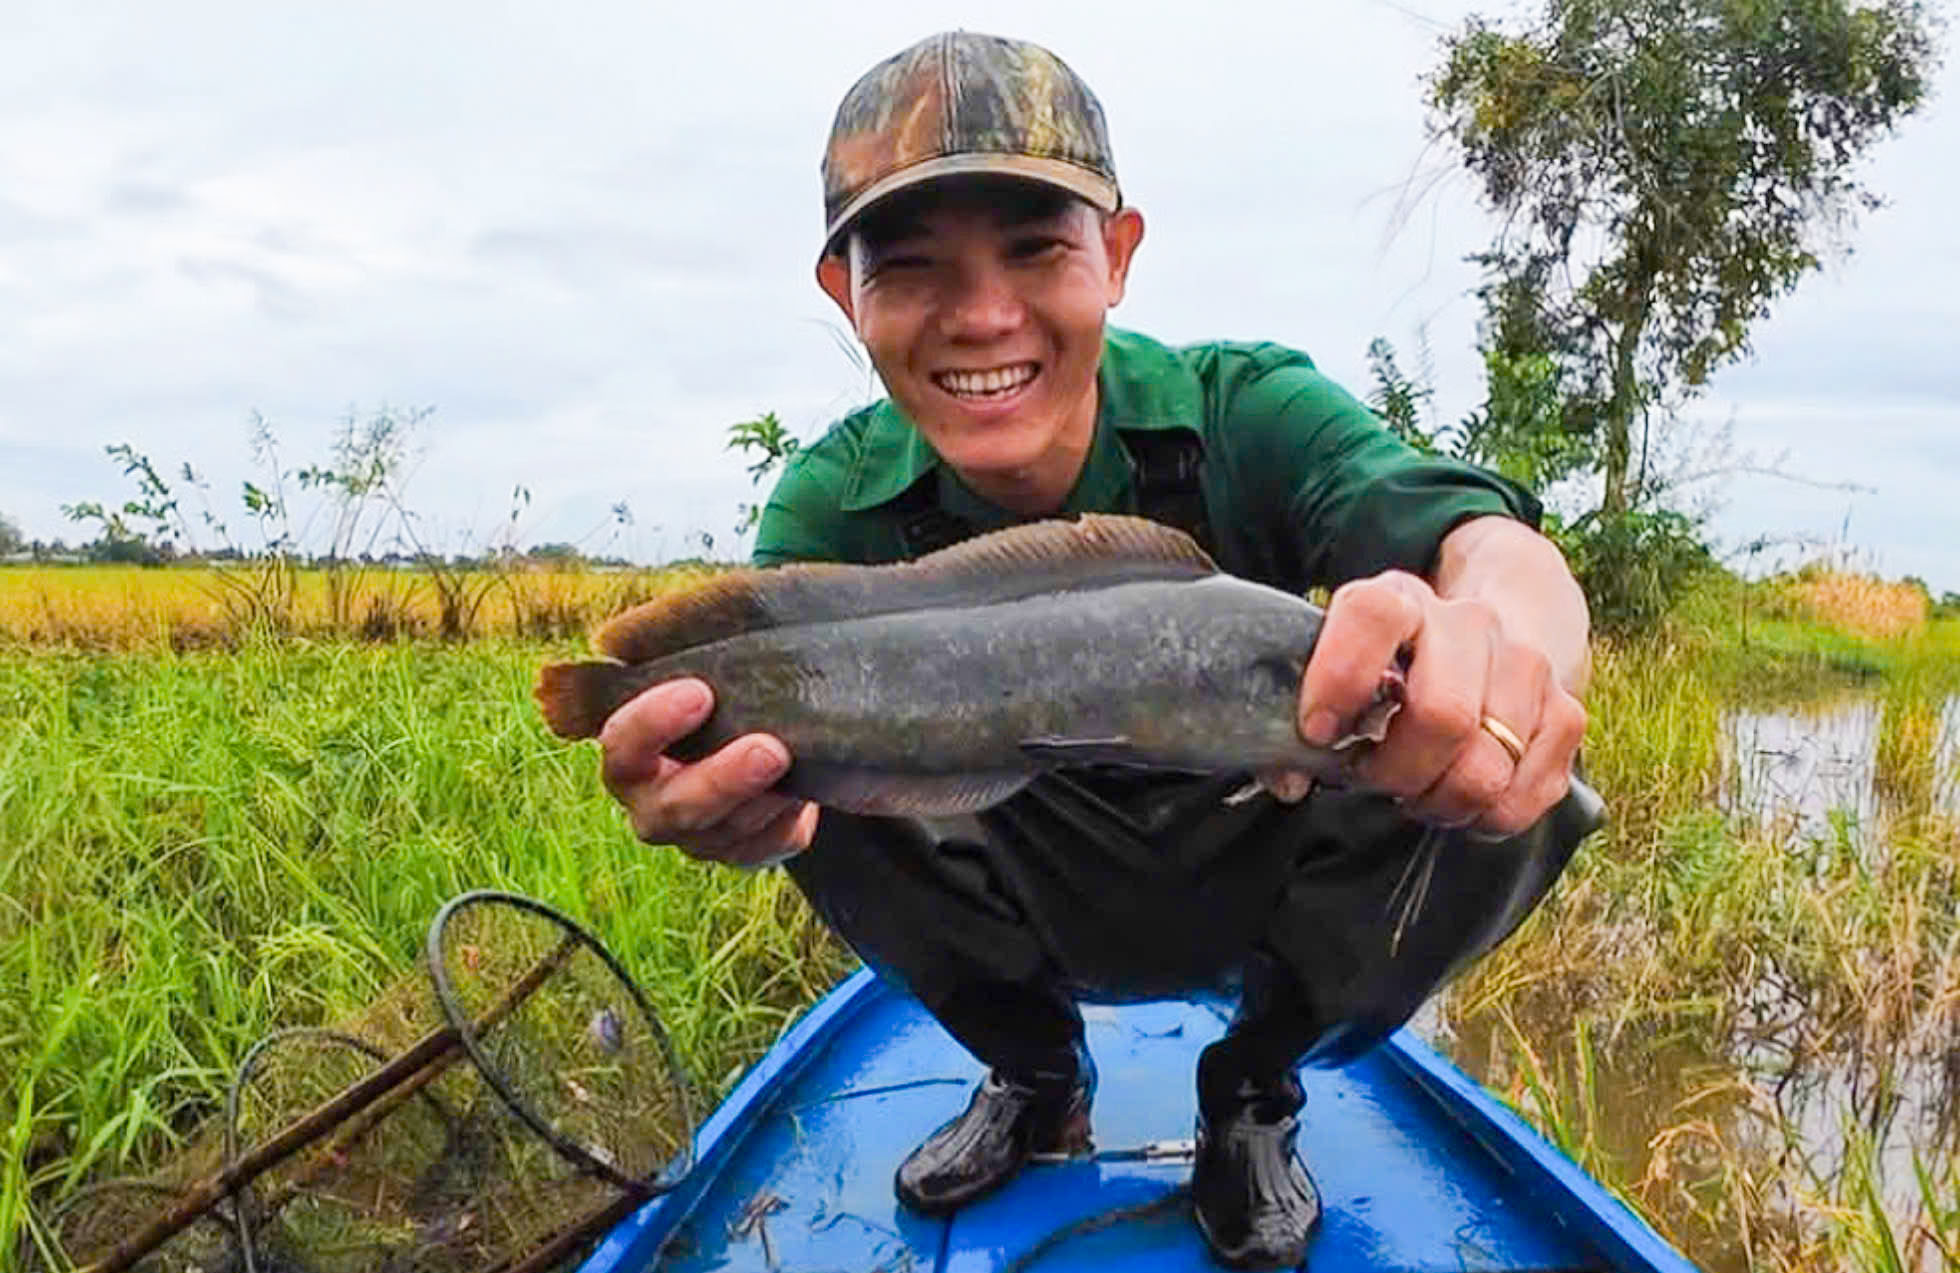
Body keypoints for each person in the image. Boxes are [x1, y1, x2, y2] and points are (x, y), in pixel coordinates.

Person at [598, 31, 1593, 1271]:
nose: (982, 316)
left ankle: (1251, 1091)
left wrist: (1506, 651)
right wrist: (748, 811)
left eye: (1036, 249)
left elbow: (1486, 544)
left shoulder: (1249, 410)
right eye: (910, 268)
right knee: (800, 755)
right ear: (843, 294)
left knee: (1527, 798)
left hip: (1256, 853)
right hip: (1022, 853)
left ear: (1116, 256)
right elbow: (764, 771)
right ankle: (1032, 1068)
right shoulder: (829, 512)